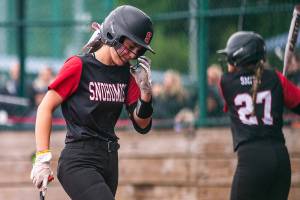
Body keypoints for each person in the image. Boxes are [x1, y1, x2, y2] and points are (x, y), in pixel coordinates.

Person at [30, 5, 155, 200]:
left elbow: (142, 125)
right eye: (129, 47)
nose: (131, 55)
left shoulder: (126, 74)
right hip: (79, 160)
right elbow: (45, 107)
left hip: (110, 160)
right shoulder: (79, 66)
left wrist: (146, 94)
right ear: (113, 33)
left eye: (137, 51)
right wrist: (42, 159)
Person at [218, 31, 300, 200]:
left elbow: (235, 102)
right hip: (280, 159)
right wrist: (280, 89)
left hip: (252, 159)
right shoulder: (277, 79)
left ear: (238, 58)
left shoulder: (226, 83)